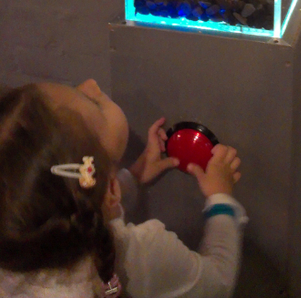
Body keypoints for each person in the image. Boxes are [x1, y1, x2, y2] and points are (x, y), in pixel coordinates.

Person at [0, 79, 246, 298]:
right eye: (93, 102)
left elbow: (73, 202)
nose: (90, 84)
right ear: (110, 189)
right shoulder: (143, 254)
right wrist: (221, 198)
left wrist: (132, 178)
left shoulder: (16, 246)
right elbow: (217, 283)